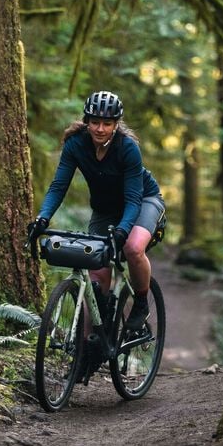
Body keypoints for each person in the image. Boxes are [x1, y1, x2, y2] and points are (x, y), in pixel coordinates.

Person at [27, 90, 165, 376]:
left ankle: (140, 303)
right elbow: (58, 186)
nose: (100, 129)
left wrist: (123, 231)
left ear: (116, 124)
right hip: (105, 210)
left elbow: (133, 199)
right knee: (96, 277)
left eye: (107, 123)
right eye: (95, 122)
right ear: (86, 121)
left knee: (132, 248)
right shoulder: (76, 145)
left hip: (141, 202)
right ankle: (89, 350)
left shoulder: (128, 148)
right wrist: (42, 218)